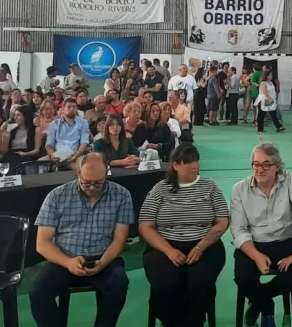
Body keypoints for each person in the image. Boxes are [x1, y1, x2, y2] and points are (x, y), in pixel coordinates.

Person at [30, 153, 133, 327]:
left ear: (107, 172)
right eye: (87, 182)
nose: (92, 187)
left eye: (98, 182)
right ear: (78, 172)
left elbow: (119, 240)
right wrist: (68, 262)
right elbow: (42, 243)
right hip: (64, 258)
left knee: (119, 284)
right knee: (38, 292)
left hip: (103, 257)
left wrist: (103, 262)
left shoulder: (122, 195)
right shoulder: (57, 196)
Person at [140, 144, 229, 327]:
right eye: (187, 162)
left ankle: (193, 322)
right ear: (175, 166)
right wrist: (168, 250)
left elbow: (222, 220)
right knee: (166, 284)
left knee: (200, 283)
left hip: (204, 246)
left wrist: (201, 246)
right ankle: (173, 322)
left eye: (195, 160)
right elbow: (146, 226)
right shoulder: (160, 189)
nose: (194, 165)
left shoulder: (210, 187)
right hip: (165, 245)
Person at [231, 143, 292, 327]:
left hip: (285, 241)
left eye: (266, 164)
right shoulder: (239, 189)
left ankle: (258, 304)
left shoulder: (291, 181)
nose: (260, 169)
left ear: (277, 166)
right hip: (254, 243)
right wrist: (256, 255)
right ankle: (267, 307)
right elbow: (238, 229)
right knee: (243, 278)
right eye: (256, 164)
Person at [43, 97, 89, 169]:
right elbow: (49, 144)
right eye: (69, 107)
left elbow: (84, 141)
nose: (71, 109)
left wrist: (77, 154)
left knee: (84, 166)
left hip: (75, 155)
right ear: (63, 108)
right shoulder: (54, 124)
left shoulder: (83, 122)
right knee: (38, 165)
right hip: (58, 155)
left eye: (74, 107)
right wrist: (52, 154)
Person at [254, 67, 285, 134]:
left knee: (272, 113)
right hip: (264, 101)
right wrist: (270, 99)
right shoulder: (263, 83)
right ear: (267, 76)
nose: (272, 76)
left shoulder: (270, 82)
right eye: (270, 75)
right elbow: (265, 92)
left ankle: (278, 127)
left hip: (269, 100)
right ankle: (260, 128)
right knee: (262, 114)